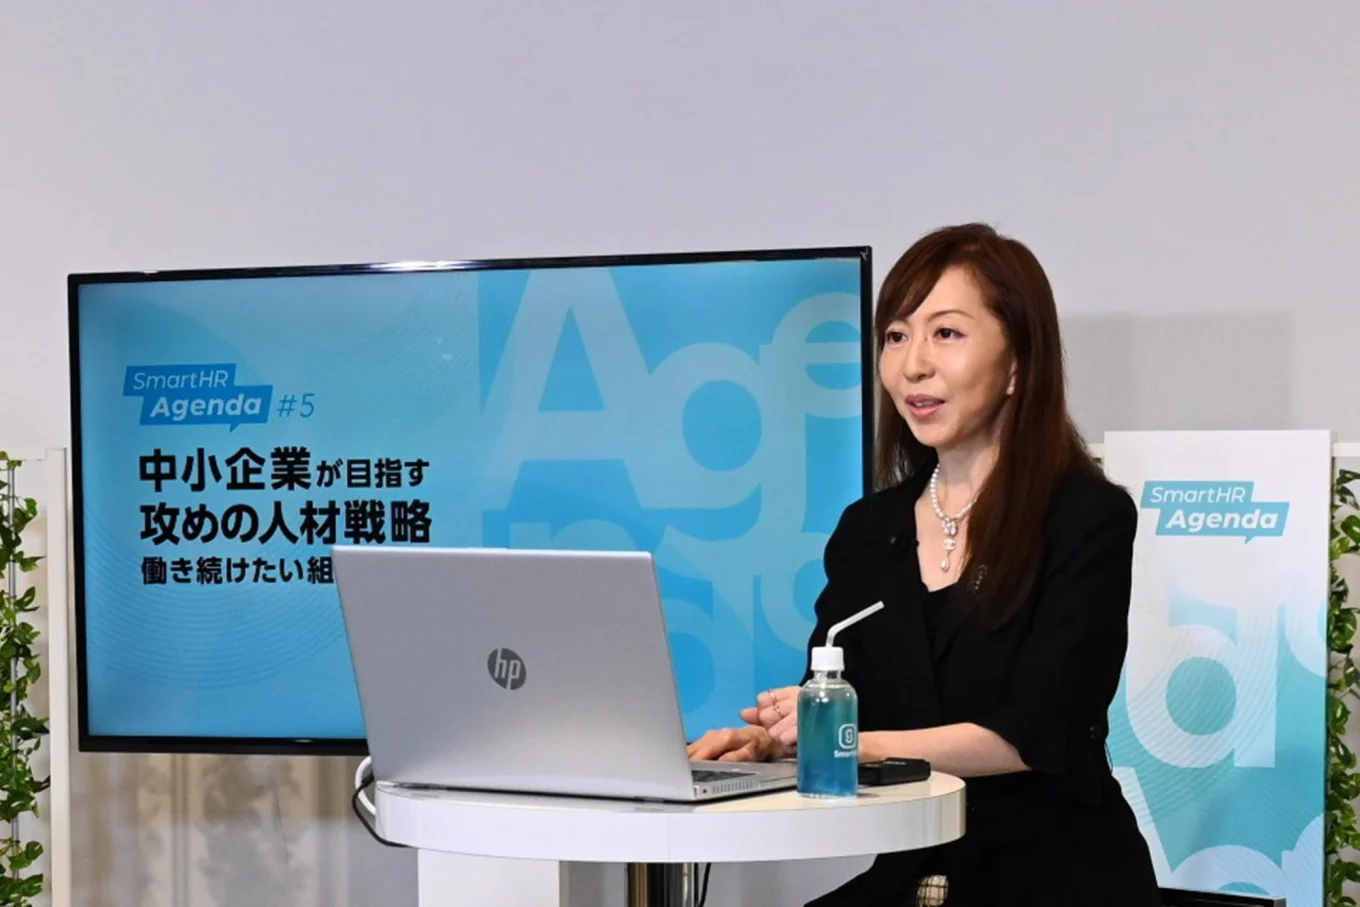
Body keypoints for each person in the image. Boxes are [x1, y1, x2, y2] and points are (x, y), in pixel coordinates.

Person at [688, 223, 1163, 906]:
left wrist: (848, 743)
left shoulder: (1086, 517)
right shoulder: (868, 530)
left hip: (1052, 876)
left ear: (1018, 363)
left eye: (946, 333)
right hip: (913, 877)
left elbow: (1035, 732)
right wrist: (773, 743)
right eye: (896, 335)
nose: (913, 364)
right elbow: (833, 690)